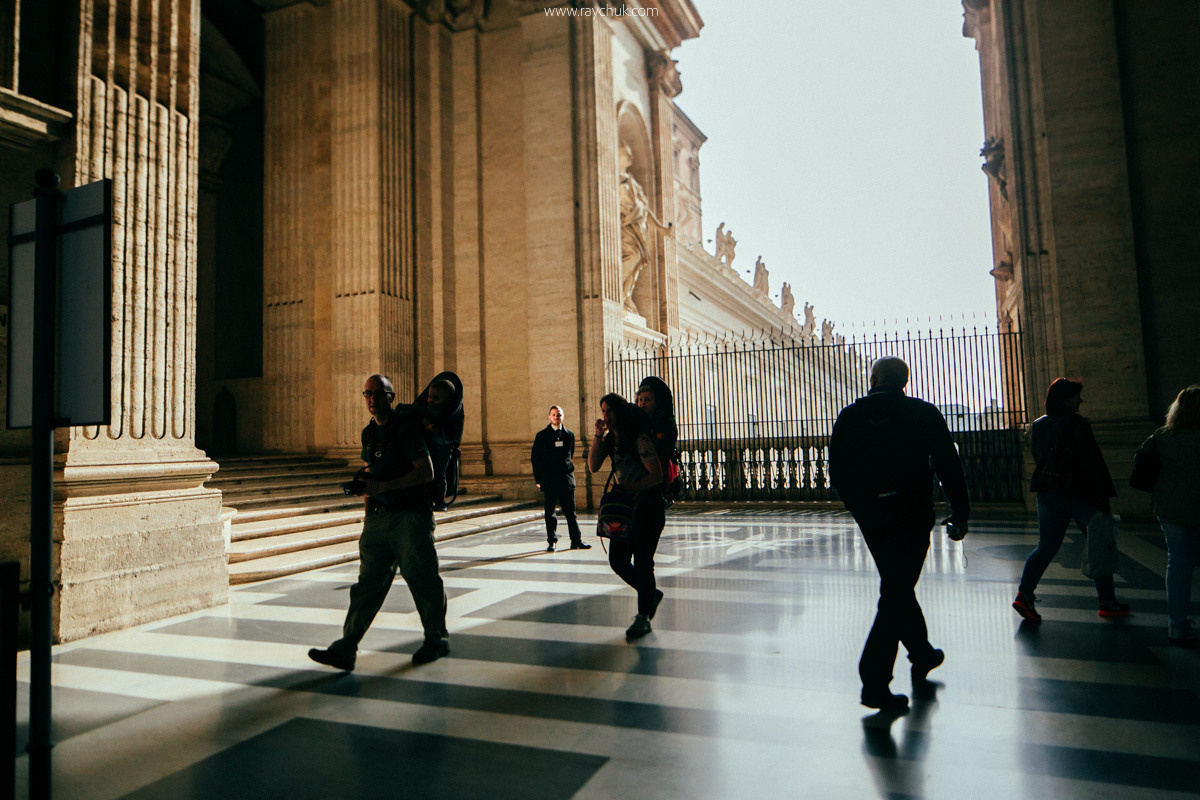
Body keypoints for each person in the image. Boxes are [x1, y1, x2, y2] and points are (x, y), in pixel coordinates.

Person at [828, 356, 970, 712]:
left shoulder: (850, 416)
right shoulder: (923, 413)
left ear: (873, 378)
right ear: (904, 381)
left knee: (896, 584)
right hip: (912, 513)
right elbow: (949, 466)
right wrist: (961, 512)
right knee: (897, 587)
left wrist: (859, 507)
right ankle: (873, 680)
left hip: (872, 516)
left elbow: (837, 471)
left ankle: (921, 652)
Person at [308, 374, 450, 670]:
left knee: (422, 579)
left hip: (411, 516)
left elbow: (426, 473)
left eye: (377, 393)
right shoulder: (368, 433)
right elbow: (372, 471)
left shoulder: (407, 428)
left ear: (391, 396)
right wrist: (366, 501)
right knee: (367, 585)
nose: (371, 398)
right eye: (367, 393)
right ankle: (346, 647)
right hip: (377, 519)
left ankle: (436, 639)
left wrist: (383, 488)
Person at [1013, 378, 1131, 622]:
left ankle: (1024, 595)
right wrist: (1103, 500)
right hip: (1080, 495)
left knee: (1045, 546)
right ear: (1066, 399)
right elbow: (1093, 464)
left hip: (1048, 493)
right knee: (1098, 543)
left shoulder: (1038, 424)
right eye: (1077, 396)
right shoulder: (1078, 424)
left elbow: (1038, 457)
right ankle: (1107, 602)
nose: (1081, 400)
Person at [588, 393, 665, 640]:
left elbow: (657, 475)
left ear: (619, 412)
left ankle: (643, 616)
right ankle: (650, 593)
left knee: (643, 561)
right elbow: (593, 466)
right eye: (603, 411)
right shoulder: (611, 439)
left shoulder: (639, 438)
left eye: (609, 411)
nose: (605, 416)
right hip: (626, 509)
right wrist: (598, 435)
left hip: (648, 508)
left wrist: (632, 488)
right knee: (617, 560)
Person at [1134, 385, 1200, 646]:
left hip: (1170, 509)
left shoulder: (1162, 435)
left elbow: (1141, 456)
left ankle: (1177, 623)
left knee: (1178, 565)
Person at [531, 405, 590, 552]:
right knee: (550, 513)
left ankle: (576, 540)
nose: (556, 417)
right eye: (554, 415)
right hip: (549, 480)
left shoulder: (569, 434)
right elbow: (535, 459)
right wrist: (538, 479)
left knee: (571, 513)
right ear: (549, 417)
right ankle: (552, 541)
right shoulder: (542, 435)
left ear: (563, 417)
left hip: (565, 479)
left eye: (559, 415)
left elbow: (569, 455)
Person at [414, 371, 464, 510]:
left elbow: (447, 433)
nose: (430, 401)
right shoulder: (427, 408)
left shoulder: (452, 415)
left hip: (443, 448)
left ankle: (441, 499)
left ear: (448, 401)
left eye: (436, 398)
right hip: (430, 446)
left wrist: (429, 425)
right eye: (429, 397)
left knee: (440, 473)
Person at [635, 376, 679, 506]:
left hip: (660, 463)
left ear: (656, 402)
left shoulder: (664, 421)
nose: (642, 403)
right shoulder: (637, 419)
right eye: (640, 400)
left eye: (647, 400)